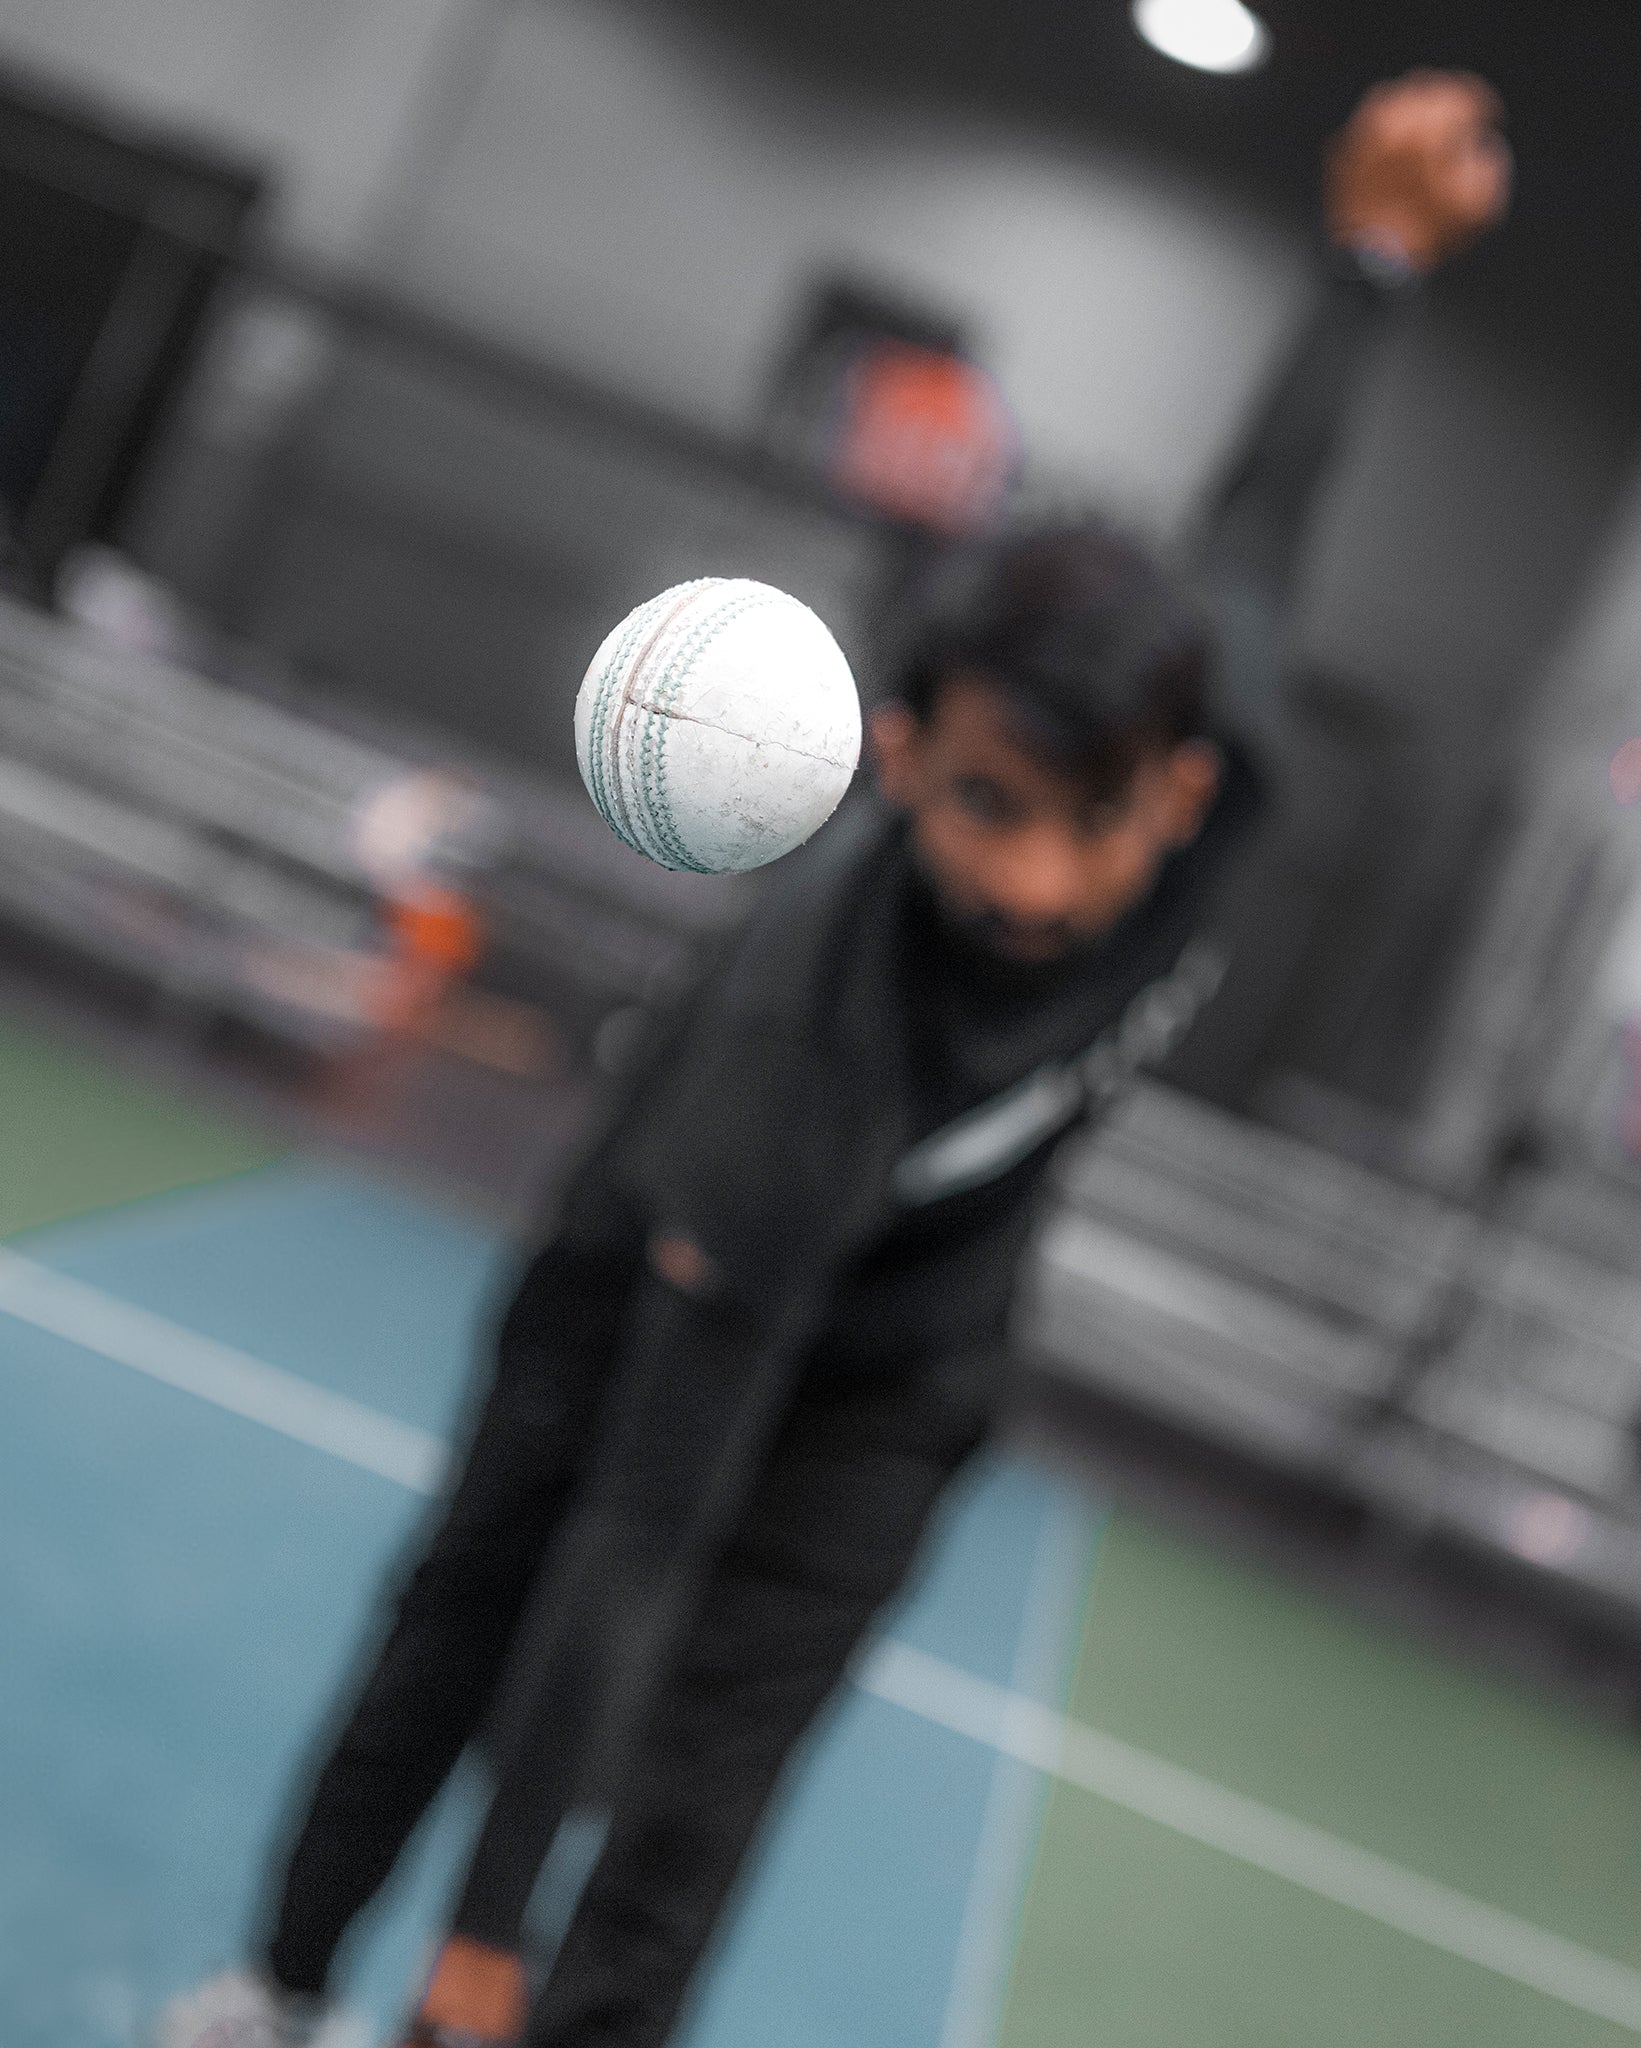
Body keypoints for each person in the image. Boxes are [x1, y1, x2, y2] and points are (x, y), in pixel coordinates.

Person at [158, 70, 1509, 2048]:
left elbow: (1262, 513)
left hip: (909, 1358)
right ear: (894, 757)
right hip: (668, 1240)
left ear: (1180, 784)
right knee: (479, 1603)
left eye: (1082, 817)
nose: (1028, 876)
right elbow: (641, 1520)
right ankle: (278, 1986)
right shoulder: (815, 1028)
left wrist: (1373, 256)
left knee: (710, 1785)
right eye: (977, 803)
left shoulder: (1214, 782)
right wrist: (476, 1930)